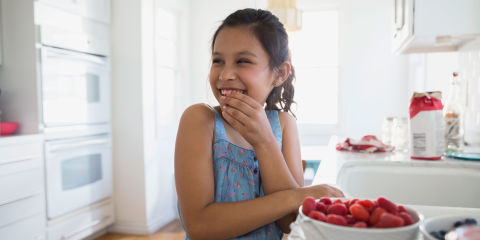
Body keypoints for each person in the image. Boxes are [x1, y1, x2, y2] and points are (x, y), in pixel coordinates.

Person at [174, 8, 344, 240]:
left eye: (243, 61)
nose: (226, 74)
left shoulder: (284, 125)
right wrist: (296, 196)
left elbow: (290, 222)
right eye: (217, 60)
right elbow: (200, 226)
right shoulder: (200, 121)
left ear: (279, 73)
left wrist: (265, 141)